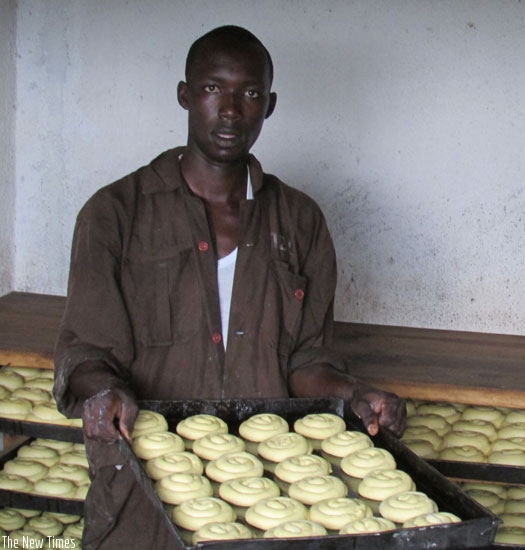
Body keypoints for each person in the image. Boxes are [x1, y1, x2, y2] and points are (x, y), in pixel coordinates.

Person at [53, 25, 406, 548]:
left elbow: (307, 362)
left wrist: (354, 394)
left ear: (270, 105)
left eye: (251, 93)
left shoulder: (300, 222)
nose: (232, 110)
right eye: (214, 89)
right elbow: (86, 351)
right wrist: (103, 393)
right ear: (185, 94)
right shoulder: (114, 214)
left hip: (270, 495)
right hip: (141, 491)